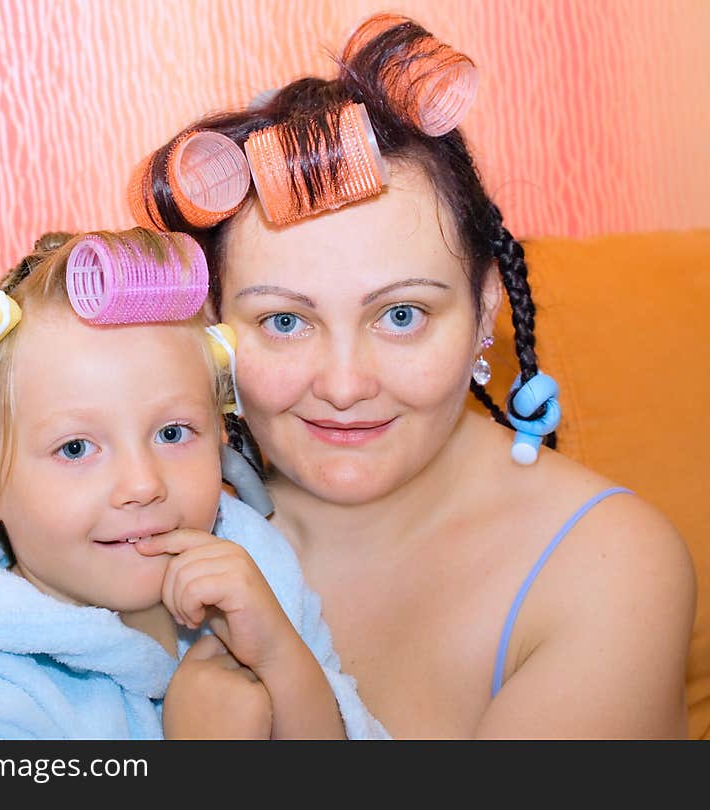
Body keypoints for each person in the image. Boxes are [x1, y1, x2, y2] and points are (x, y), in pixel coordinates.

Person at [127, 13, 696, 739]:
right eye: (284, 322)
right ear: (212, 329)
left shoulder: (609, 570)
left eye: (400, 316)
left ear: (485, 306)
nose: (343, 384)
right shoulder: (143, 518)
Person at [0, 228, 385, 740]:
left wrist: (282, 661)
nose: (143, 485)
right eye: (76, 448)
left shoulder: (250, 571)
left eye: (173, 433)